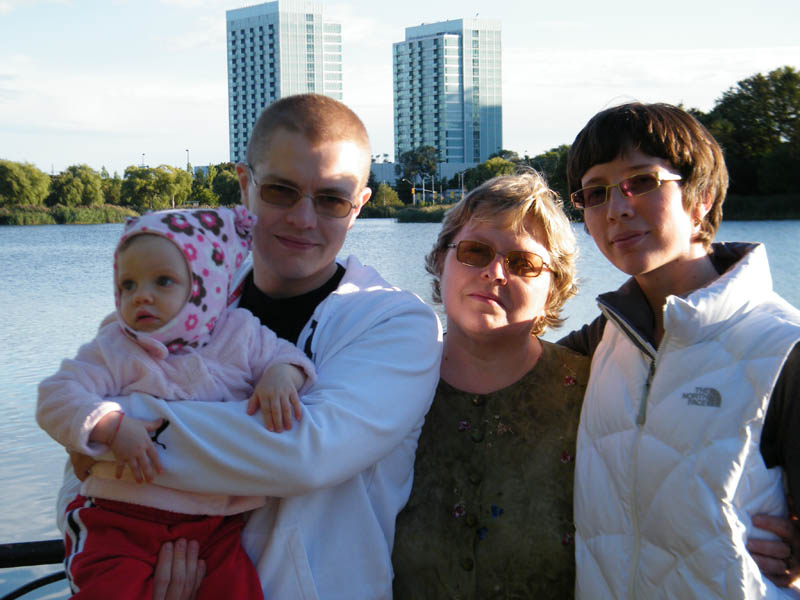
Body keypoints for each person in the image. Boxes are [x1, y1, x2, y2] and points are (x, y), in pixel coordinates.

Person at [57, 94, 443, 600]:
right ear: (245, 185)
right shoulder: (172, 303)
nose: (304, 218)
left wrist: (109, 425)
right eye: (282, 191)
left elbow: (306, 452)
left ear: (359, 206)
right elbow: (78, 481)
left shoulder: (397, 323)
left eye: (331, 199)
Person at [560, 102, 800, 598]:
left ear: (702, 198)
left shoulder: (782, 348)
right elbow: (492, 365)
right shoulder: (606, 339)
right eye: (595, 193)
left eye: (641, 181)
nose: (617, 208)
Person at [38, 205, 317, 599]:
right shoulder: (116, 347)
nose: (141, 295)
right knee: (110, 589)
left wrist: (281, 375)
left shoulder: (240, 335)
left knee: (238, 590)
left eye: (163, 281)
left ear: (205, 285)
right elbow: (56, 395)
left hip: (215, 524)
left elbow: (290, 357)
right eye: (128, 284)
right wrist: (109, 424)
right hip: (120, 519)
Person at [391, 170, 590, 598]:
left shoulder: (593, 393)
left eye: (523, 263)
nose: (495, 272)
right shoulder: (385, 382)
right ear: (441, 262)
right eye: (475, 252)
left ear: (554, 287)